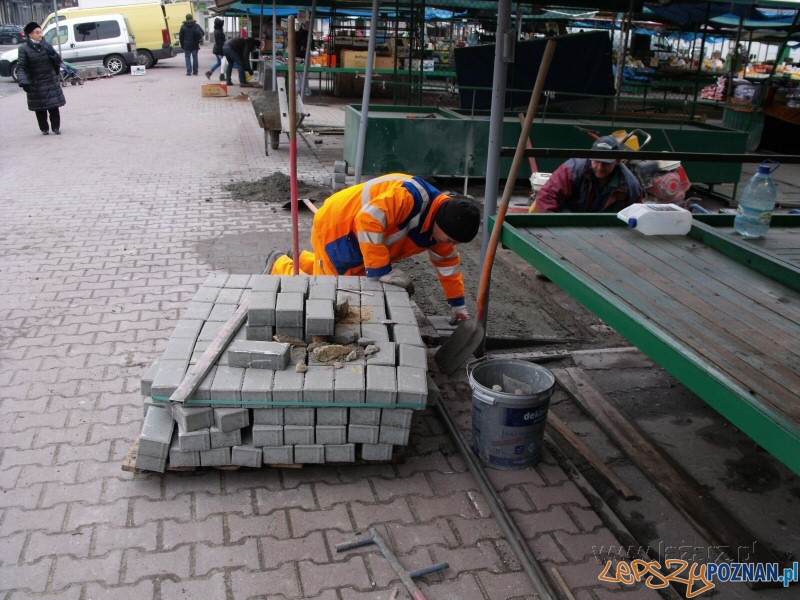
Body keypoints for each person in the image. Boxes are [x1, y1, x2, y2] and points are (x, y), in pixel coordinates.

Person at [265, 173, 481, 322]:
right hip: (338, 226)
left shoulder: (442, 227)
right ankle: (280, 264)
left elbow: (448, 266)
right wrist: (382, 271)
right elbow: (368, 220)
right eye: (451, 239)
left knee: (350, 279)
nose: (450, 245)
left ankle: (302, 259)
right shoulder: (409, 198)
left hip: (365, 238)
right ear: (440, 222)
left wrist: (458, 307)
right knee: (327, 294)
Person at [531, 136, 643, 213]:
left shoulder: (630, 185)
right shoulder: (572, 170)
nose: (600, 167)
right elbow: (547, 196)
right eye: (596, 161)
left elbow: (634, 214)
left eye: (606, 163)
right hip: (567, 221)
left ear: (617, 161)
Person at [17, 22, 66, 136]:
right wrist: (24, 81)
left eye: (40, 32)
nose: (40, 34)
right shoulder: (24, 49)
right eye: (37, 32)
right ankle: (44, 128)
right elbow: (21, 67)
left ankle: (56, 127)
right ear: (30, 35)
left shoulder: (47, 45)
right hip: (36, 83)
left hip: (50, 80)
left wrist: (53, 55)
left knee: (54, 107)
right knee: (40, 109)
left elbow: (58, 60)